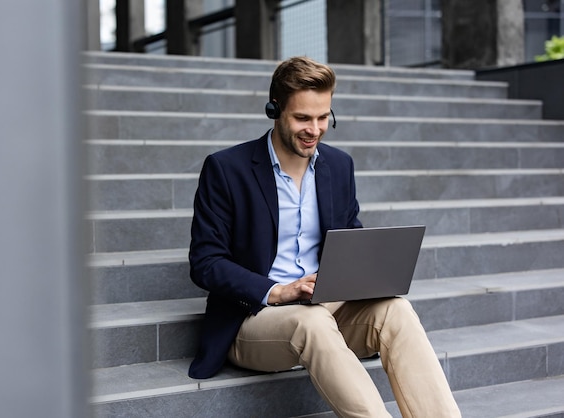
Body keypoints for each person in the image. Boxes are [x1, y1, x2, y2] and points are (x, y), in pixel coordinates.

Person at [188, 56, 461, 417]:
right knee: (311, 322)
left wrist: (367, 274)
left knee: (397, 311)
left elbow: (351, 240)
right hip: (255, 317)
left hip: (325, 306)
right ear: (274, 109)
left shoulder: (338, 165)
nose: (314, 129)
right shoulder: (226, 169)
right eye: (302, 118)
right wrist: (278, 290)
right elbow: (206, 263)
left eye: (323, 118)